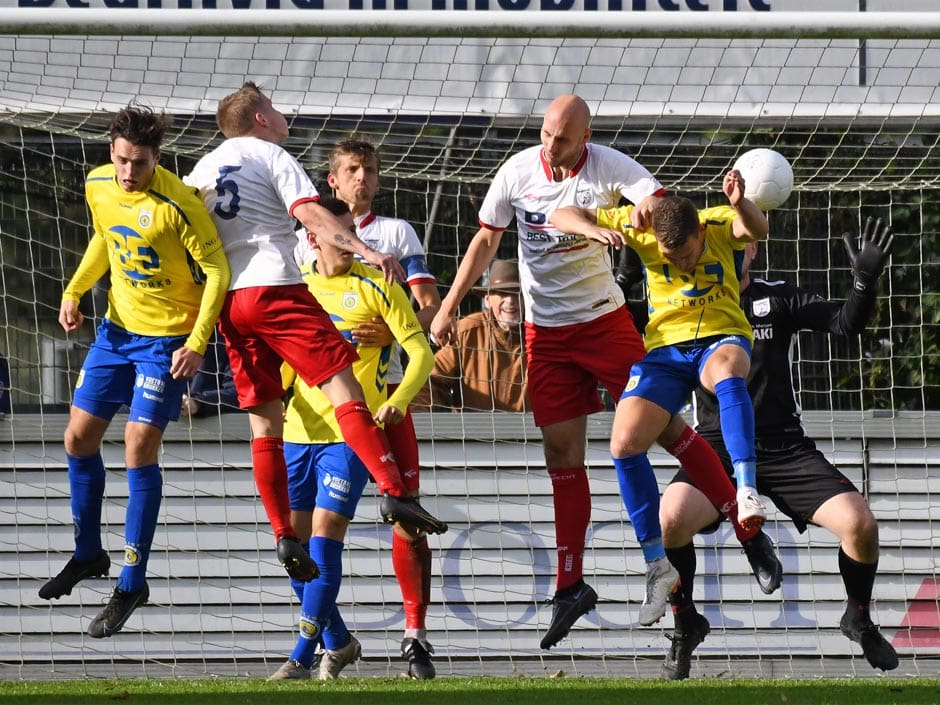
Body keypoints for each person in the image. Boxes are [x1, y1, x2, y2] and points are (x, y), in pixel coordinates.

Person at [431, 94, 775, 650]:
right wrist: (448, 307)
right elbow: (488, 239)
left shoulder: (611, 166)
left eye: (563, 138)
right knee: (561, 456)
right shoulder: (516, 172)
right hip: (546, 335)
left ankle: (743, 521)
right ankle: (571, 584)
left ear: (586, 135)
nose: (551, 145)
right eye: (545, 133)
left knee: (663, 432)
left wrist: (642, 207)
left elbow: (663, 208)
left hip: (604, 324)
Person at [184, 83, 447, 586]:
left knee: (264, 426)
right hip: (275, 287)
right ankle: (394, 491)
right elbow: (310, 216)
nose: (284, 118)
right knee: (345, 386)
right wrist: (368, 251)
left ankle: (283, 533)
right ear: (260, 118)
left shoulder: (202, 170)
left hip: (230, 304)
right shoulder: (270, 153)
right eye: (276, 110)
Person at [657, 217, 898, 680]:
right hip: (717, 447)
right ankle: (685, 622)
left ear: (753, 250)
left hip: (785, 445)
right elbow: (632, 333)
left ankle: (858, 617)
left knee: (861, 525)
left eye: (744, 243)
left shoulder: (778, 296)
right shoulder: (684, 303)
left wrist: (865, 282)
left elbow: (845, 324)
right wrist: (627, 272)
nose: (735, 250)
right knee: (668, 520)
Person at [551, 168, 777, 624]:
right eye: (673, 260)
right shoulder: (643, 231)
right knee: (624, 444)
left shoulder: (716, 222)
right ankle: (658, 565)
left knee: (728, 374)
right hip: (666, 351)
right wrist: (598, 228)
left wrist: (739, 202)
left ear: (699, 232)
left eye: (689, 255)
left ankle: (748, 490)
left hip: (720, 335)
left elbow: (756, 228)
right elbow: (561, 212)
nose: (683, 265)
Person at [38, 105, 231, 638]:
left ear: (157, 159)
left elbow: (218, 272)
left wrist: (197, 343)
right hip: (116, 333)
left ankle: (132, 580)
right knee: (77, 439)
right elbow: (104, 237)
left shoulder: (181, 204)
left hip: (167, 342)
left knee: (137, 444)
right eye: (122, 160)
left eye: (139, 164)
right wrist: (75, 290)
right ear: (111, 153)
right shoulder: (99, 184)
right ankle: (87, 553)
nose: (128, 173)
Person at [268, 197, 434, 681]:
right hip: (298, 432)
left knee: (325, 537)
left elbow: (420, 353)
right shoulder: (296, 290)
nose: (350, 245)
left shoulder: (377, 285)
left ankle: (301, 655)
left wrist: (398, 400)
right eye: (338, 236)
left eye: (352, 235)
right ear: (314, 236)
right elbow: (283, 363)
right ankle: (338, 642)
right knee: (293, 549)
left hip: (352, 436)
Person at [325, 137, 442, 677]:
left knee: (408, 519)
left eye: (369, 170)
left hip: (388, 402)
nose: (362, 178)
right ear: (333, 181)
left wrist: (394, 330)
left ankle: (414, 636)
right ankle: (327, 639)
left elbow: (426, 309)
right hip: (326, 412)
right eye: (352, 170)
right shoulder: (310, 239)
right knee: (324, 528)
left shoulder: (395, 234)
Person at [415, 259, 528, 413]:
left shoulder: (541, 336)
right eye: (502, 293)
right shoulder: (467, 332)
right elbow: (431, 380)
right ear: (487, 300)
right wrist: (420, 422)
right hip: (472, 434)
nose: (510, 301)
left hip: (533, 433)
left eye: (517, 293)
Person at [179, 331, 241, 418]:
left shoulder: (228, 341)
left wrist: (197, 402)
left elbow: (239, 393)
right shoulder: (161, 340)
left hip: (212, 426)